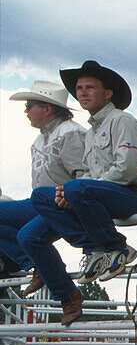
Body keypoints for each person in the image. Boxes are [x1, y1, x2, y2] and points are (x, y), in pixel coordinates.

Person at [25, 61, 137, 325]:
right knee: (42, 197)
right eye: (79, 88)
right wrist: (67, 193)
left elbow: (127, 169)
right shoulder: (92, 131)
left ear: (107, 94)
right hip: (101, 196)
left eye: (90, 87)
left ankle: (116, 248)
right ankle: (95, 248)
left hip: (132, 194)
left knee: (73, 188)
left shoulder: (122, 120)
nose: (82, 92)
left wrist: (81, 189)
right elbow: (85, 175)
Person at [2, 81, 87, 299]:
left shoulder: (70, 133)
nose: (26, 111)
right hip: (43, 203)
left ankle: (41, 268)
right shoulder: (41, 138)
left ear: (47, 109)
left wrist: (68, 197)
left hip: (61, 203)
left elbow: (84, 176)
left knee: (26, 233)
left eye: (30, 106)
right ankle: (36, 263)